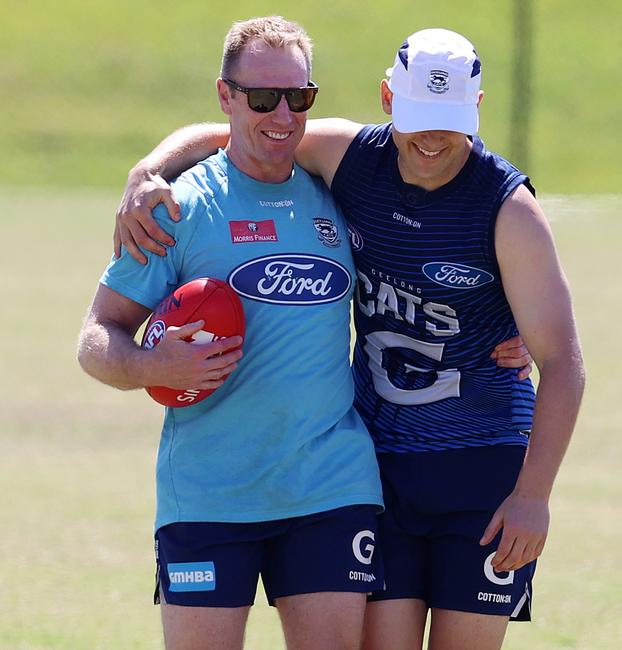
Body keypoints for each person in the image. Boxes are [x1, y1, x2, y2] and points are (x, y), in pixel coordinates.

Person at [113, 27, 584, 650]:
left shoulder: (506, 208)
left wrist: (534, 496)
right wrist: (146, 170)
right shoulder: (350, 157)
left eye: (450, 122)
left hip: (482, 466)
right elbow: (235, 130)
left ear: (476, 109)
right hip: (381, 464)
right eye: (419, 118)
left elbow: (564, 363)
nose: (432, 139)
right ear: (387, 99)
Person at [77, 16, 387, 650]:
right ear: (226, 96)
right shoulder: (178, 209)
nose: (282, 113)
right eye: (261, 97)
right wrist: (151, 367)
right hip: (209, 495)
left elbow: (439, 218)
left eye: (298, 97)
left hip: (329, 488)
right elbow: (96, 337)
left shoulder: (337, 195)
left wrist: (504, 335)